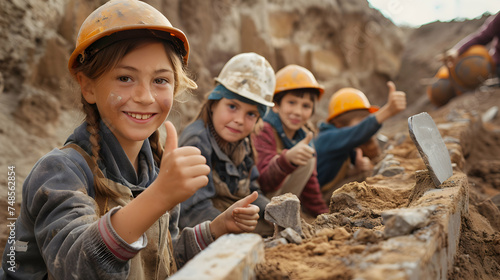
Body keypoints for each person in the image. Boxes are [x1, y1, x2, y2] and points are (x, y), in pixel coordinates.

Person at [0, 1, 261, 279]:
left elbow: (162, 257)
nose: (145, 97)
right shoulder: (59, 172)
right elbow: (76, 266)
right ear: (88, 86)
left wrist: (215, 229)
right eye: (125, 77)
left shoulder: (157, 171)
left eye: (160, 80)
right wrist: (159, 196)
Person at [178, 53, 275, 235]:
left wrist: (272, 210)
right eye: (232, 106)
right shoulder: (197, 141)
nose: (239, 120)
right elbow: (192, 210)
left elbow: (251, 190)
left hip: (230, 215)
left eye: (251, 114)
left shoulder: (243, 143)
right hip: (199, 229)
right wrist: (231, 228)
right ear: (214, 103)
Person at [252, 64, 329, 216]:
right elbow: (263, 182)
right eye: (291, 102)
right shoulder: (264, 130)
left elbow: (310, 187)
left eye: (306, 106)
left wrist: (323, 215)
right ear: (276, 104)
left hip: (282, 200)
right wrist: (286, 160)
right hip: (258, 201)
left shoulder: (304, 136)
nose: (298, 112)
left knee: (307, 159)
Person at [315, 82, 406, 202]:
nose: (365, 131)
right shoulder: (327, 138)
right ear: (339, 124)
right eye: (360, 122)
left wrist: (357, 169)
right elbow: (358, 132)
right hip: (317, 197)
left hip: (326, 191)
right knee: (368, 178)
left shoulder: (345, 143)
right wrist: (388, 110)